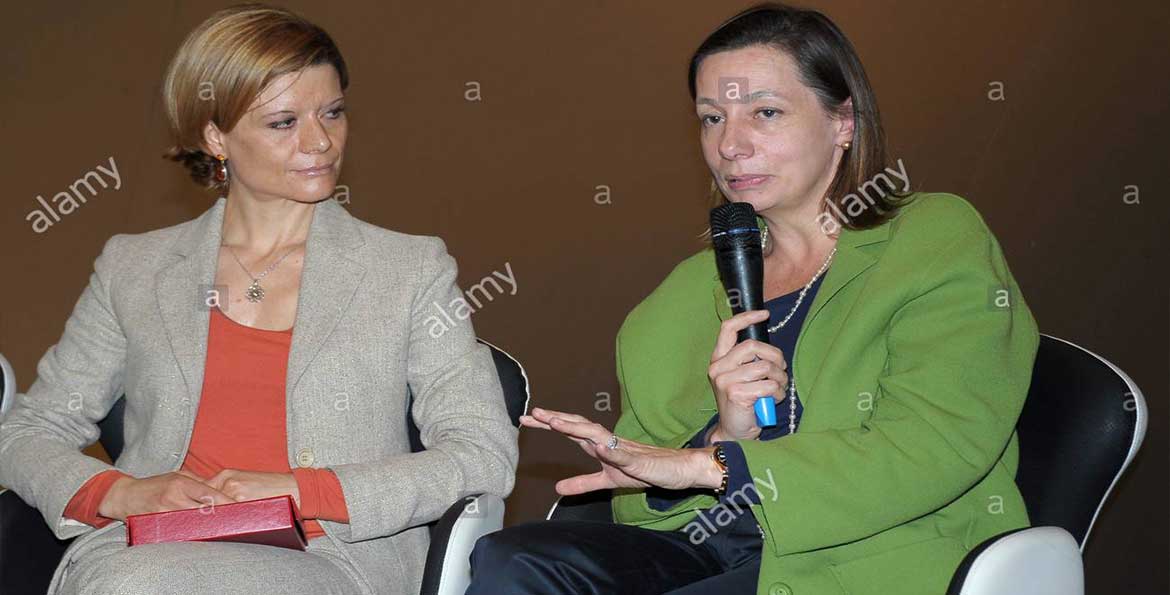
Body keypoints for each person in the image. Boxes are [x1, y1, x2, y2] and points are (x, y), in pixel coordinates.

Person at [466, 3, 1038, 594]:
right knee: (513, 560)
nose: (730, 145)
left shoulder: (932, 239)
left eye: (765, 112)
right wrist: (723, 439)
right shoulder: (676, 300)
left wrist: (709, 466)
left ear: (843, 120)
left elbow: (934, 446)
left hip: (872, 550)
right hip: (714, 543)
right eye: (712, 118)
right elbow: (638, 504)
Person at [0, 4, 517, 595]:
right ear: (215, 135)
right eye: (283, 122)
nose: (320, 141)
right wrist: (121, 493)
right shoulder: (134, 267)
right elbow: (28, 431)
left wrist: (307, 489)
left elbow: (483, 454)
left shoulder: (407, 269)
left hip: (332, 559)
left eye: (333, 112)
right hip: (147, 546)